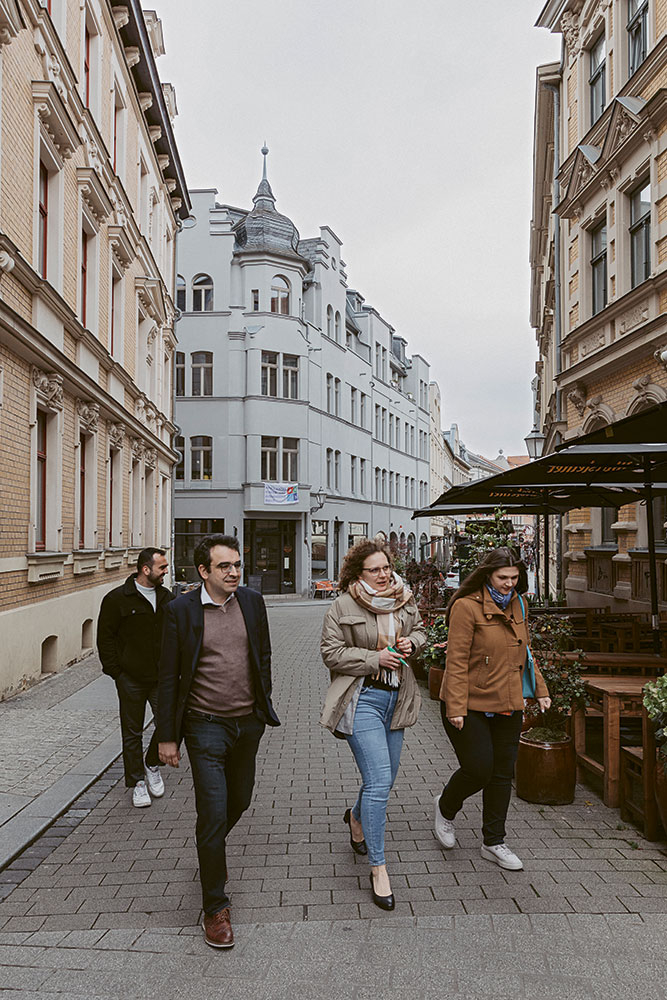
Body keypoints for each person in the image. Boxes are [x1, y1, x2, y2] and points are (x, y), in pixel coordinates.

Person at [157, 534, 280, 949]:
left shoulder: (252, 601)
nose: (233, 572)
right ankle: (215, 907)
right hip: (204, 725)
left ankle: (209, 852)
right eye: (224, 566)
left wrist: (263, 708)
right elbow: (168, 676)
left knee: (239, 800)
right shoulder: (181, 611)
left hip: (247, 724)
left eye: (237, 564)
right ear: (203, 571)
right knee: (211, 813)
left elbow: (262, 655)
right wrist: (167, 738)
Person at [320, 539, 426, 910]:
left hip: (397, 699)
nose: (383, 575)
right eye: (374, 570)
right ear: (358, 574)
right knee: (380, 781)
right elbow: (330, 653)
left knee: (386, 776)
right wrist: (374, 657)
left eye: (386, 568)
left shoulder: (403, 598)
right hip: (361, 699)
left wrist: (413, 642)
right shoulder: (342, 606)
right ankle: (379, 868)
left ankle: (356, 816)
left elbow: (421, 631)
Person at [434, 546, 551, 871]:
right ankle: (445, 808)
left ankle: (494, 842)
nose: (508, 584)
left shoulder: (519, 604)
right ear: (488, 574)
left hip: (508, 700)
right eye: (503, 577)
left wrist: (540, 690)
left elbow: (526, 653)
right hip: (468, 702)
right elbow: (455, 660)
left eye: (514, 578)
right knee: (479, 768)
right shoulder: (466, 607)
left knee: (501, 774)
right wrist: (454, 707)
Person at [96, 547, 174, 808]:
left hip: (161, 677)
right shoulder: (117, 598)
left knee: (169, 723)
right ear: (145, 569)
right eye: (162, 567)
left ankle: (152, 763)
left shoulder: (167, 598)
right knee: (132, 732)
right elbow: (105, 638)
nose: (166, 571)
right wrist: (116, 672)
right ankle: (137, 782)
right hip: (130, 678)